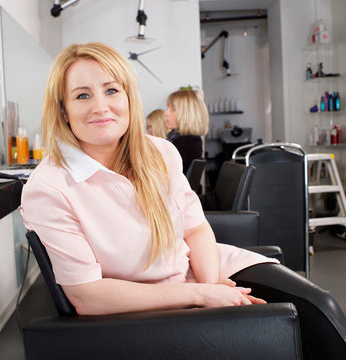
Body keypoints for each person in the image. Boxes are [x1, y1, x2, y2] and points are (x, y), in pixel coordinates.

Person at [20, 42, 346, 359]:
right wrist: (202, 294)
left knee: (321, 308)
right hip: (147, 304)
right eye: (82, 96)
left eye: (111, 90)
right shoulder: (48, 188)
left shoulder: (159, 152)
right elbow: (87, 297)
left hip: (204, 266)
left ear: (129, 97)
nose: (100, 106)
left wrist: (214, 281)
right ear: (63, 110)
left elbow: (197, 228)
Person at [165, 89, 208, 174]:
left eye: (172, 109)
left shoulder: (182, 142)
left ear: (187, 114)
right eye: (168, 108)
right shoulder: (193, 140)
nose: (165, 113)